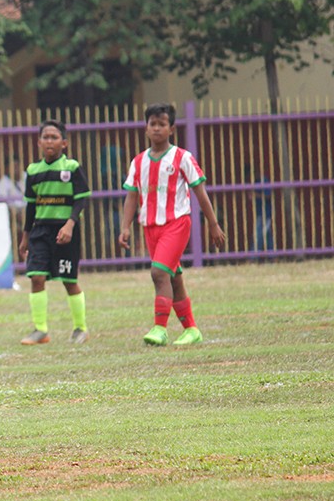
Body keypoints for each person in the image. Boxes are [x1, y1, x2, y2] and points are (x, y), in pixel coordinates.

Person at [117, 103, 226, 346]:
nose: (156, 129)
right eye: (152, 124)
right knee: (173, 277)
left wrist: (213, 223)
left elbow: (200, 191)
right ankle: (191, 330)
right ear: (146, 128)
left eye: (161, 124)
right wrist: (125, 227)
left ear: (171, 129)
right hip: (150, 227)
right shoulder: (138, 162)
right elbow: (132, 195)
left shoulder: (182, 157)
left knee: (158, 273)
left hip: (176, 224)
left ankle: (160, 328)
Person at [17, 120, 91, 346]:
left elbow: (81, 199)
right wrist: (25, 237)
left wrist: (69, 224)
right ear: (39, 142)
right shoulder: (33, 170)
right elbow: (31, 206)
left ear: (64, 143)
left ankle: (81, 328)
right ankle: (40, 330)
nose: (49, 141)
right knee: (37, 277)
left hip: (65, 231)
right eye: (45, 137)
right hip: (40, 231)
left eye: (54, 137)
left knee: (69, 280)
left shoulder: (71, 168)